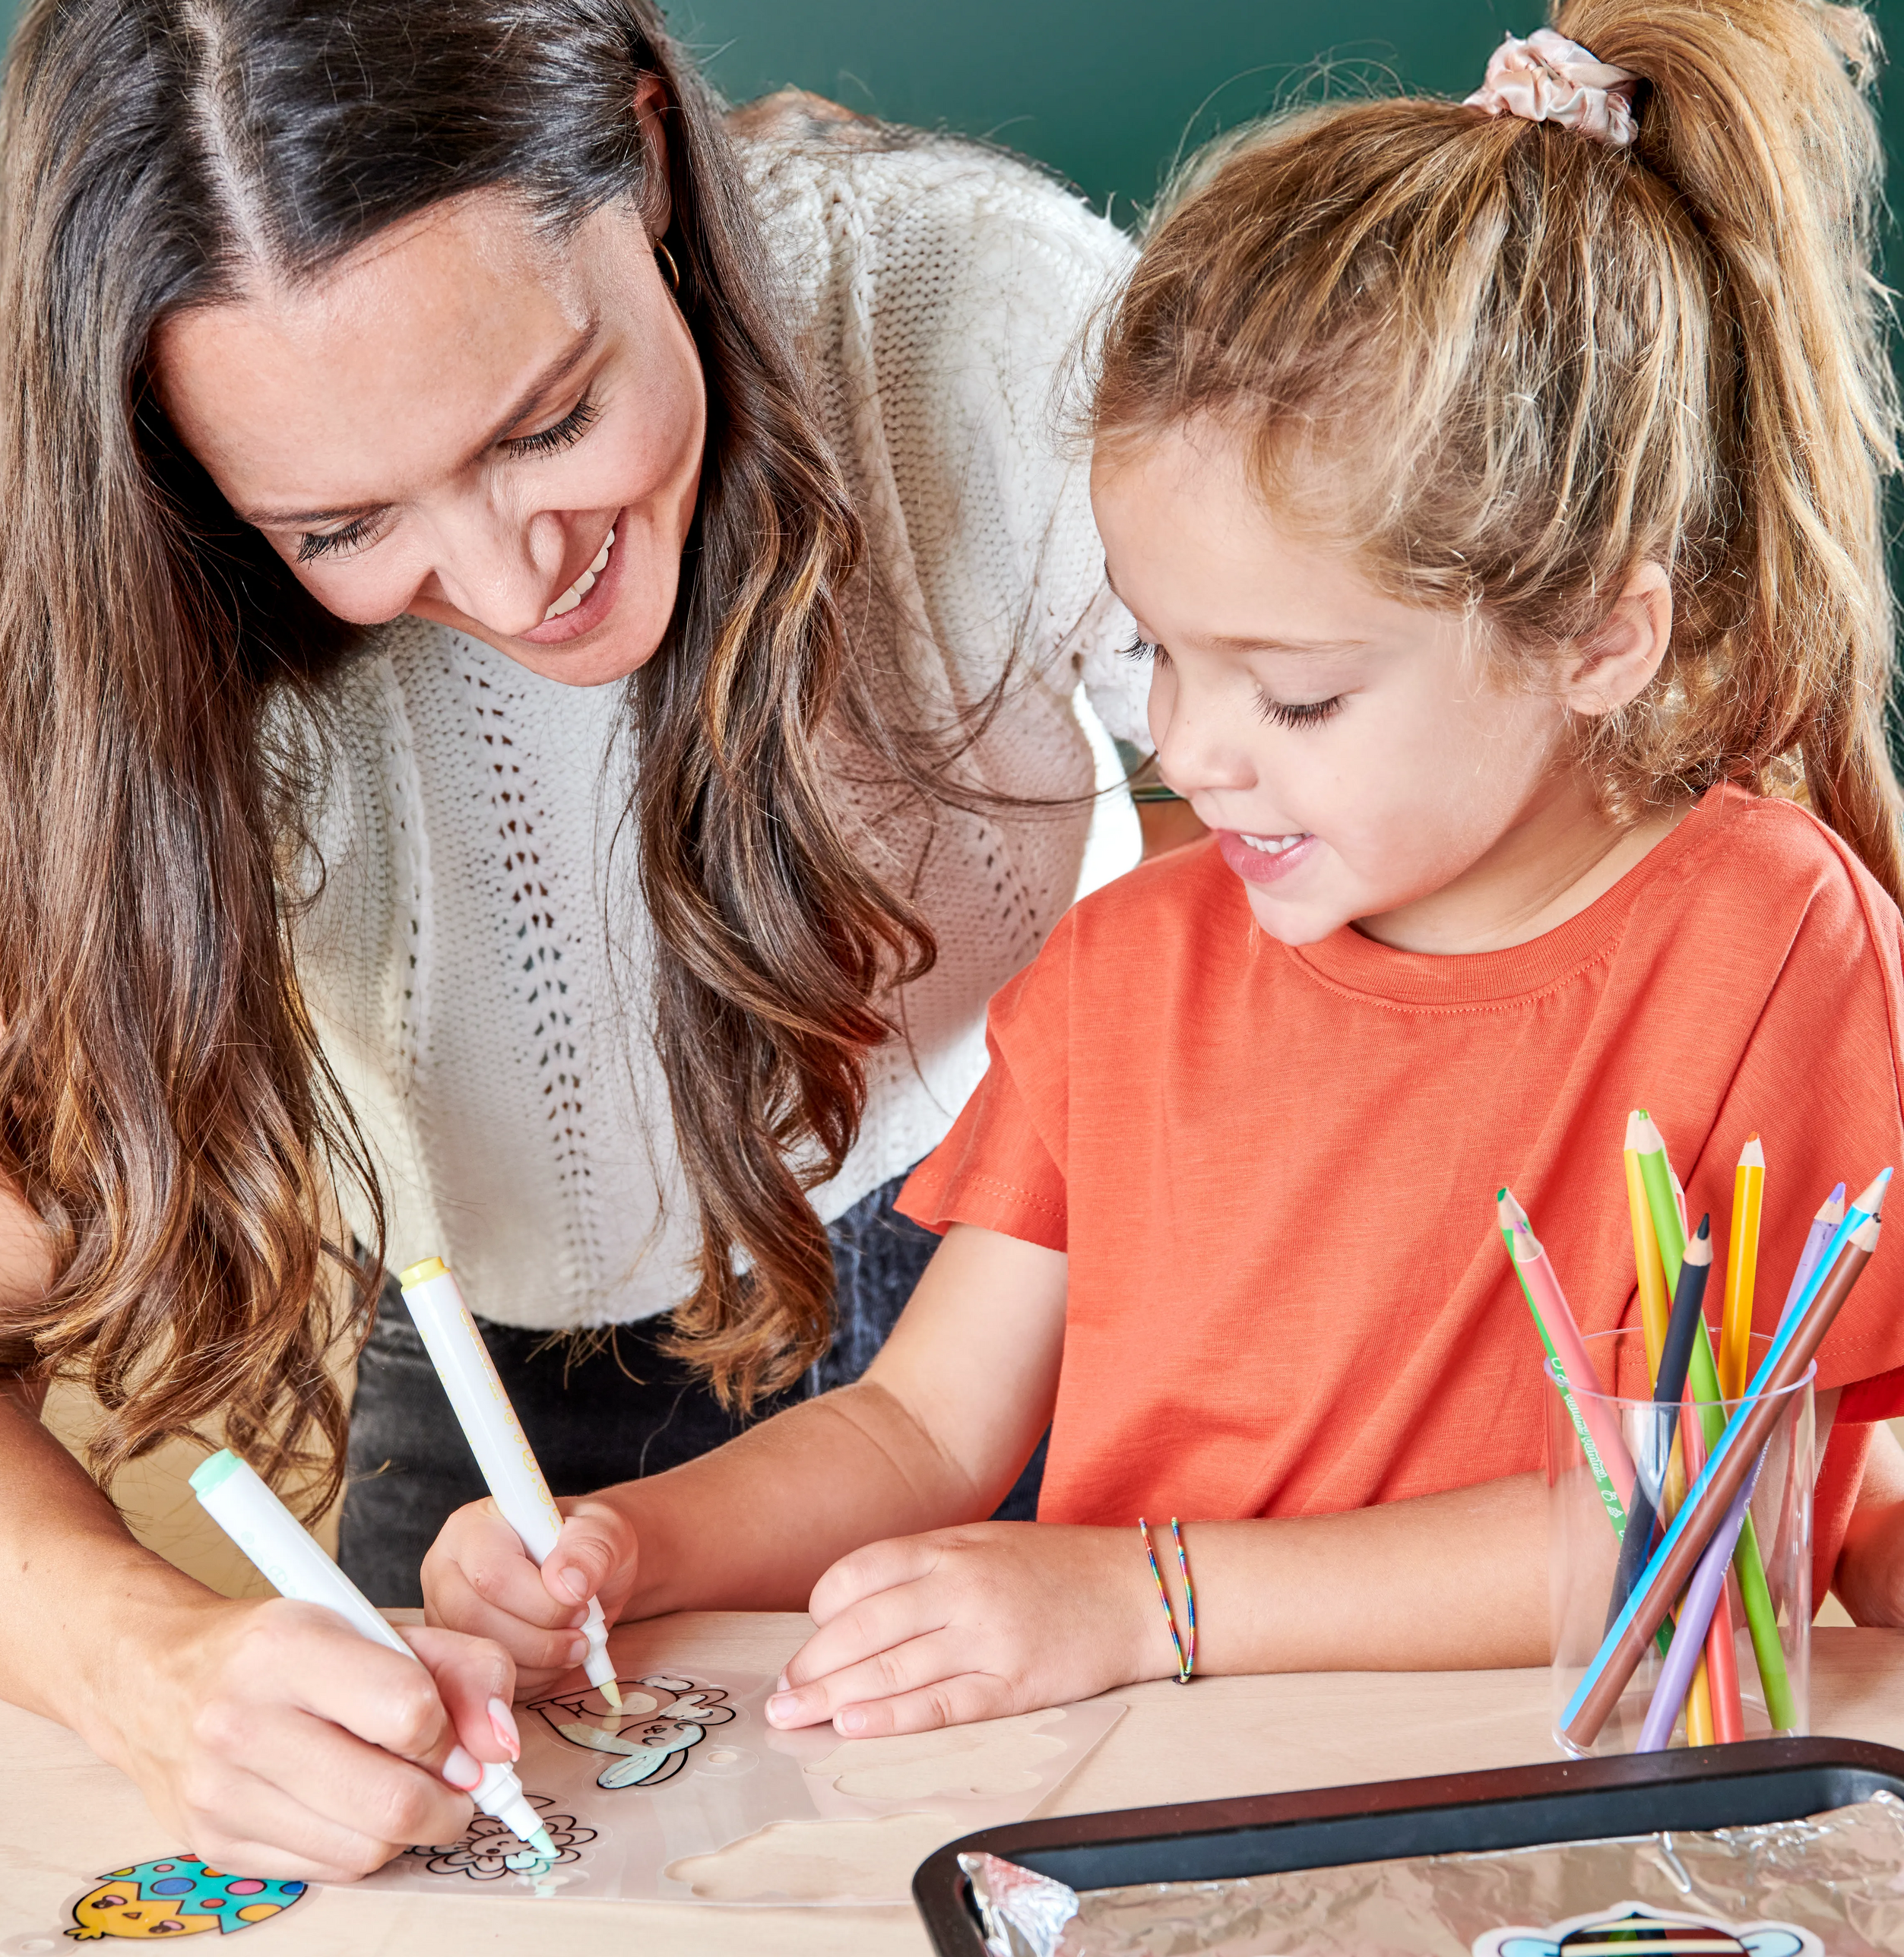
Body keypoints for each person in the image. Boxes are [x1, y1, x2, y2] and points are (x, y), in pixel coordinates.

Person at [0, 0, 1157, 1880]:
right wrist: (163, 1672)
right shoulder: (105, 545)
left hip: (1019, 1262)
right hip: (486, 1346)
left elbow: (1431, 790)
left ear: (652, 158)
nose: (517, 579)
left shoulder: (979, 319)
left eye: (553, 419)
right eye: (341, 526)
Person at [427, 0, 1904, 1732]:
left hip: (1549, 1851)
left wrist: (1152, 1600)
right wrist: (631, 1543)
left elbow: (1709, 1531)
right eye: (1160, 653)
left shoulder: (1772, 944)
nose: (1188, 752)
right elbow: (922, 1429)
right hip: (1162, 1859)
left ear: (1600, 637)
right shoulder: (1126, 971)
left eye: (1295, 693)